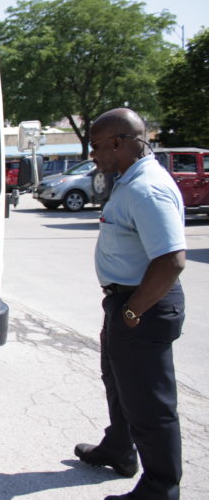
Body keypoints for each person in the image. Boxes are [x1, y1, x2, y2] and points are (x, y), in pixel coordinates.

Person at [75, 108, 186, 500]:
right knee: (120, 385)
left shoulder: (146, 187)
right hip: (127, 303)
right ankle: (119, 450)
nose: (93, 155)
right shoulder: (129, 180)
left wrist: (133, 311)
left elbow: (172, 259)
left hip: (144, 306)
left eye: (96, 146)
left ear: (119, 143)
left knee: (149, 404)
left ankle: (160, 488)